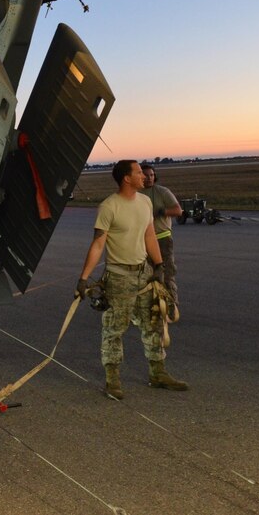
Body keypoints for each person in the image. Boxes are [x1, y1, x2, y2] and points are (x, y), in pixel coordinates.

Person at [75, 160, 188, 399]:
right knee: (114, 328)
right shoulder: (109, 206)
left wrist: (158, 265)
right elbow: (97, 244)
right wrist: (84, 278)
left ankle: (158, 373)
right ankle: (112, 380)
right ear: (126, 178)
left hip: (145, 274)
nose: (144, 176)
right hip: (119, 277)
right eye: (138, 173)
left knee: (154, 323)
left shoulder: (145, 202)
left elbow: (150, 235)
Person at [140, 163, 183, 312]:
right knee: (145, 276)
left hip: (162, 239)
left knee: (166, 274)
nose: (149, 178)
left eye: (151, 175)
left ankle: (171, 306)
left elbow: (178, 210)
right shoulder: (134, 194)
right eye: (145, 175)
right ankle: (150, 307)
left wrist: (162, 211)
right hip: (142, 241)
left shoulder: (162, 192)